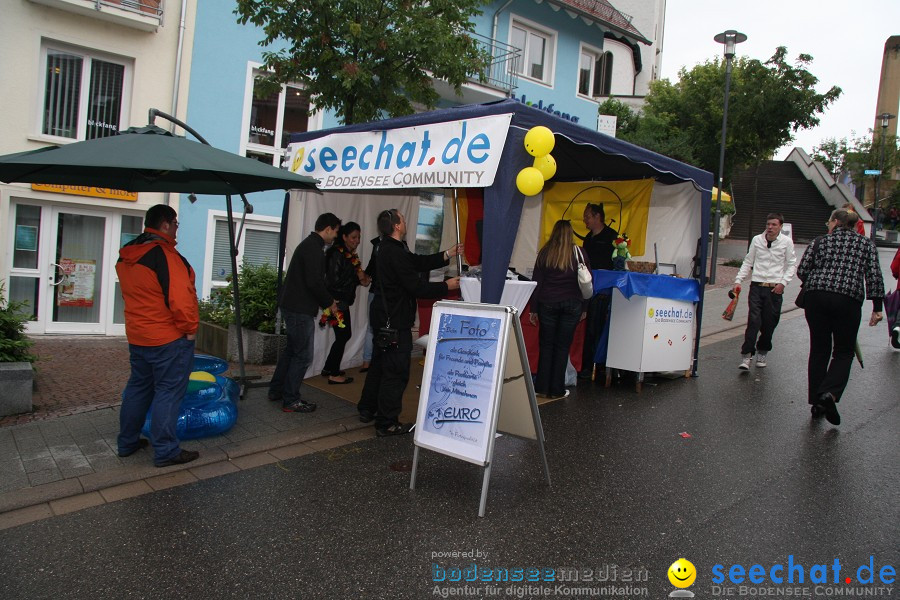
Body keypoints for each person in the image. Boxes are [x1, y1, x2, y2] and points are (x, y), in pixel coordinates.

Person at [357, 209, 462, 436]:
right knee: (396, 371)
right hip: (394, 319)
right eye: (402, 219)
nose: (405, 222)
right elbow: (416, 287)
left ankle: (367, 408)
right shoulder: (393, 251)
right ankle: (387, 423)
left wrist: (447, 254)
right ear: (396, 226)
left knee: (379, 366)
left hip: (384, 316)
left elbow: (416, 262)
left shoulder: (388, 248)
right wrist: (447, 286)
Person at [116, 204, 200, 467]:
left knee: (138, 388)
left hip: (139, 336)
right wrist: (189, 330)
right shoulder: (165, 256)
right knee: (168, 392)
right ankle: (166, 451)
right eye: (175, 223)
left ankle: (127, 442)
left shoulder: (127, 255)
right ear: (165, 224)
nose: (177, 228)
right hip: (167, 338)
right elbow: (181, 299)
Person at [797, 209, 885, 425]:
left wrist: (821, 278)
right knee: (844, 351)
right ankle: (829, 393)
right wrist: (877, 307)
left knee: (819, 349)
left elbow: (802, 270)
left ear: (836, 222)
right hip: (848, 300)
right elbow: (874, 275)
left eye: (829, 221)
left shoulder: (820, 242)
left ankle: (816, 401)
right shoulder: (866, 245)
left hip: (816, 297)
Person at [269, 213, 341, 412]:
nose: (335, 236)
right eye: (335, 231)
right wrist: (329, 303)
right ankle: (291, 399)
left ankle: (277, 390)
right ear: (327, 229)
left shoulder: (310, 245)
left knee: (292, 351)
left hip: (293, 306)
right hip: (299, 309)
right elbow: (314, 282)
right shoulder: (314, 249)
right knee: (303, 356)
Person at [528, 220, 588, 400]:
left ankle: (542, 387)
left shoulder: (545, 253)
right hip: (572, 304)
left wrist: (533, 309)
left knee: (546, 346)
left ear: (553, 233)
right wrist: (585, 307)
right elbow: (587, 283)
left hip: (548, 303)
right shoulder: (579, 253)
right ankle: (557, 389)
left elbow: (537, 283)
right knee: (562, 347)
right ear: (571, 234)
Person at [732, 213, 797, 370]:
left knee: (769, 323)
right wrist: (738, 280)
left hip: (774, 289)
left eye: (774, 225)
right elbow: (748, 261)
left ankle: (763, 351)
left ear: (780, 226)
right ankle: (747, 355)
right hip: (757, 286)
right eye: (768, 224)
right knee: (754, 321)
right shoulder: (757, 240)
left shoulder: (786, 242)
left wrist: (783, 283)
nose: (770, 227)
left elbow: (791, 264)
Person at [321, 222, 370, 384]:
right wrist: (357, 277)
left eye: (358, 238)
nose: (357, 241)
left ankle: (329, 367)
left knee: (342, 335)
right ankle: (334, 374)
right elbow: (334, 281)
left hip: (341, 301)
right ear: (344, 237)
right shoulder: (337, 253)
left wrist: (361, 278)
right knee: (343, 335)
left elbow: (349, 279)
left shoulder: (349, 256)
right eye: (353, 237)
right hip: (336, 302)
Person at [577, 203, 617, 379]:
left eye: (587, 216)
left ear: (598, 217)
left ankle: (599, 366)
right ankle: (586, 365)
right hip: (587, 290)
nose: (585, 219)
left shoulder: (612, 237)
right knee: (587, 329)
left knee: (598, 329)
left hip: (604, 292)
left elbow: (617, 265)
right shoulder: (587, 238)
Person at [360, 235, 381, 372]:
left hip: (376, 291)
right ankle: (370, 361)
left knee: (371, 328)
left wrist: (366, 276)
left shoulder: (378, 244)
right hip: (383, 292)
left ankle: (367, 362)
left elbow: (370, 266)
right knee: (375, 328)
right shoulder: (398, 245)